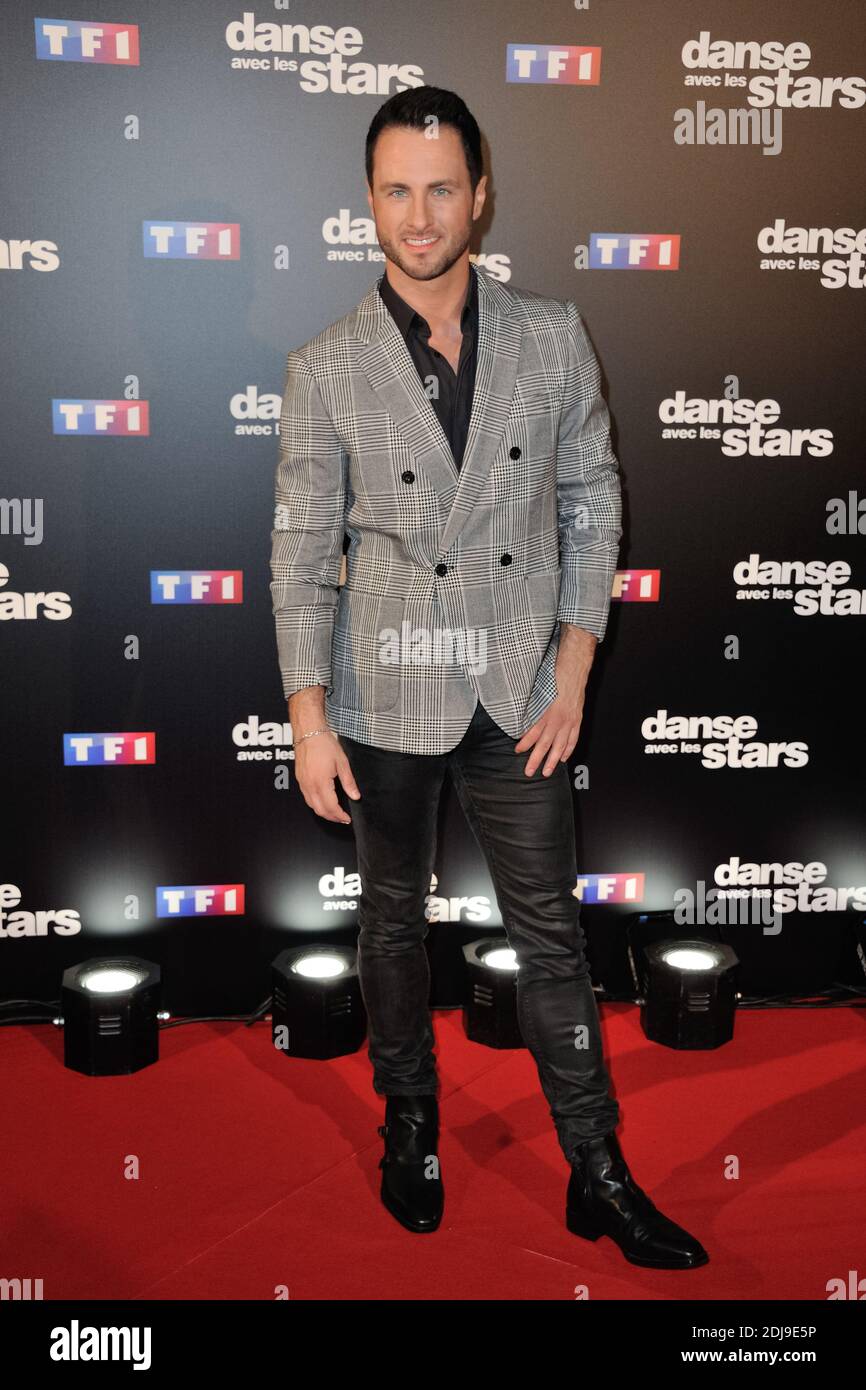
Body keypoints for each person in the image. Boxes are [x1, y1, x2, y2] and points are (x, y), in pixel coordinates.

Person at [269, 85, 708, 1270]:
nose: (420, 216)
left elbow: (590, 498)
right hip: (387, 688)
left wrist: (573, 667)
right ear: (369, 202)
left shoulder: (552, 333)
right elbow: (303, 555)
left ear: (482, 194)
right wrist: (308, 718)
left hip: (518, 687)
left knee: (552, 937)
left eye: (442, 188)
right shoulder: (324, 368)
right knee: (393, 925)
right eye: (397, 191)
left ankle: (595, 1169)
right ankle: (408, 1119)